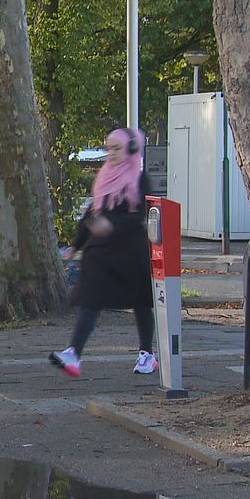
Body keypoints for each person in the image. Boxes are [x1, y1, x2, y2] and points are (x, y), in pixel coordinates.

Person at [50, 127, 157, 377]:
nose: (111, 153)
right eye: (108, 148)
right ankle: (74, 354)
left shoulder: (141, 179)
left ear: (131, 149)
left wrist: (114, 224)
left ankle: (146, 354)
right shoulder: (104, 176)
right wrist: (75, 245)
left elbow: (143, 215)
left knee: (141, 303)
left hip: (131, 253)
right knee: (91, 299)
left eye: (117, 148)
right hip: (100, 253)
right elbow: (92, 211)